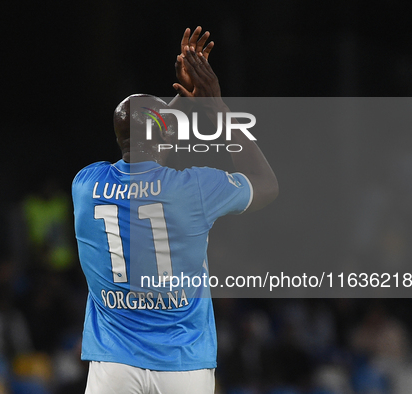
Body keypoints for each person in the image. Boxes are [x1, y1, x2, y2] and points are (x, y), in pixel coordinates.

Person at [72, 27, 278, 394]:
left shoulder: (86, 185)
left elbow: (145, 152)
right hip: (184, 363)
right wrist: (215, 105)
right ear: (167, 134)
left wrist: (173, 111)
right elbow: (265, 184)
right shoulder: (195, 188)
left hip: (114, 363)